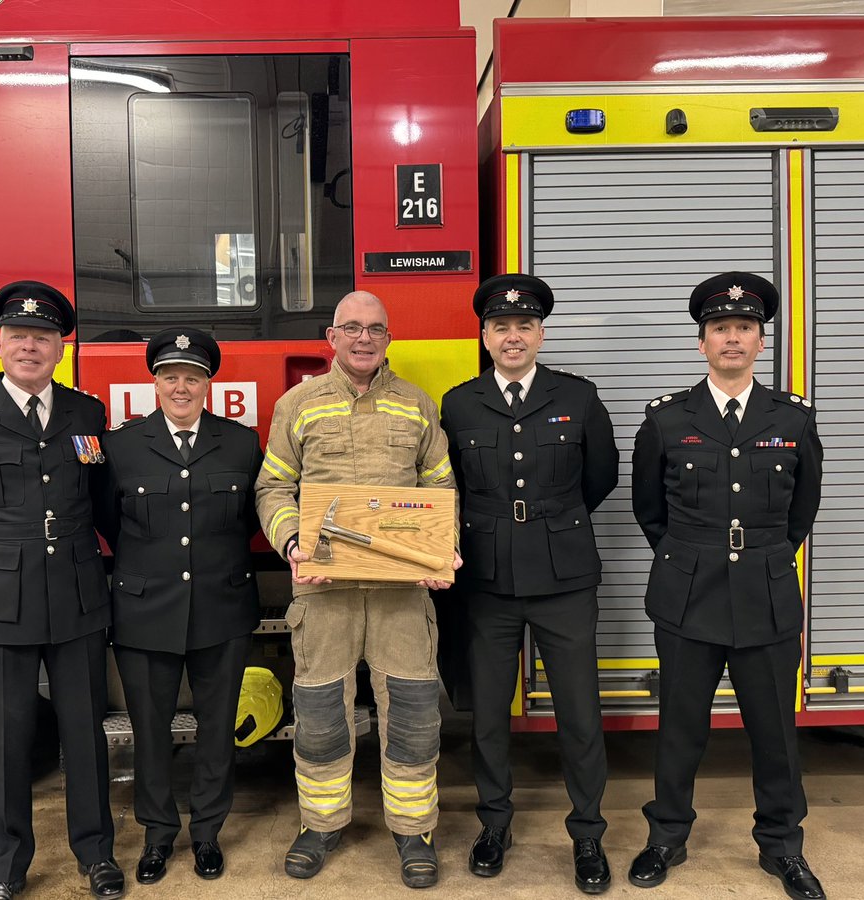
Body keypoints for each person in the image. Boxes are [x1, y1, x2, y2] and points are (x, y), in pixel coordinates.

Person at [627, 273, 825, 900]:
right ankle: (667, 837)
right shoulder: (666, 419)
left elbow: (803, 511)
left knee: (773, 730)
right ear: (702, 342)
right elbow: (648, 509)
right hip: (687, 593)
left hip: (766, 595)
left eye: (744, 328)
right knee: (680, 725)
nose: (732, 338)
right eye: (720, 328)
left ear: (760, 342)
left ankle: (782, 847)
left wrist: (765, 557)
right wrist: (689, 555)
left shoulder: (791, 417)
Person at [254, 291, 459, 889]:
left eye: (375, 329)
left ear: (388, 338)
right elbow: (272, 489)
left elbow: (440, 488)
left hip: (402, 596)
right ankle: (321, 824)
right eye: (352, 327)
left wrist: (438, 550)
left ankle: (414, 828)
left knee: (415, 717)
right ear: (332, 335)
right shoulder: (298, 406)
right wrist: (293, 545)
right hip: (324, 595)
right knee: (319, 716)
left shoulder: (418, 406)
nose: (364, 338)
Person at [0, 282, 123, 900]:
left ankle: (96, 855)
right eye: (19, 336)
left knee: (85, 732)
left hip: (75, 593)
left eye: (43, 337)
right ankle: (6, 868)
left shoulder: (85, 415)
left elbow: (97, 503)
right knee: (8, 737)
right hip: (1, 600)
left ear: (61, 348)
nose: (30, 347)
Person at [439, 274, 618, 893]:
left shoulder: (580, 396)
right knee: (488, 713)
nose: (512, 337)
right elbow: (449, 488)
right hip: (487, 580)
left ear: (541, 333)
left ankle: (588, 834)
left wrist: (548, 524)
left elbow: (599, 479)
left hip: (564, 576)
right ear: (484, 336)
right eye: (500, 327)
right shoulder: (459, 403)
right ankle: (495, 824)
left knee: (579, 712)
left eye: (524, 326)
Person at [95, 328, 262, 884]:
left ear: (209, 382)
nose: (182, 386)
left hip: (222, 606)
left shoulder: (240, 443)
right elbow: (107, 520)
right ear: (156, 382)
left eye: (193, 376)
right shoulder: (120, 446)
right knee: (150, 730)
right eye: (171, 376)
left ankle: (208, 833)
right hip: (146, 610)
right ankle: (157, 836)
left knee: (217, 729)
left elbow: (252, 522)